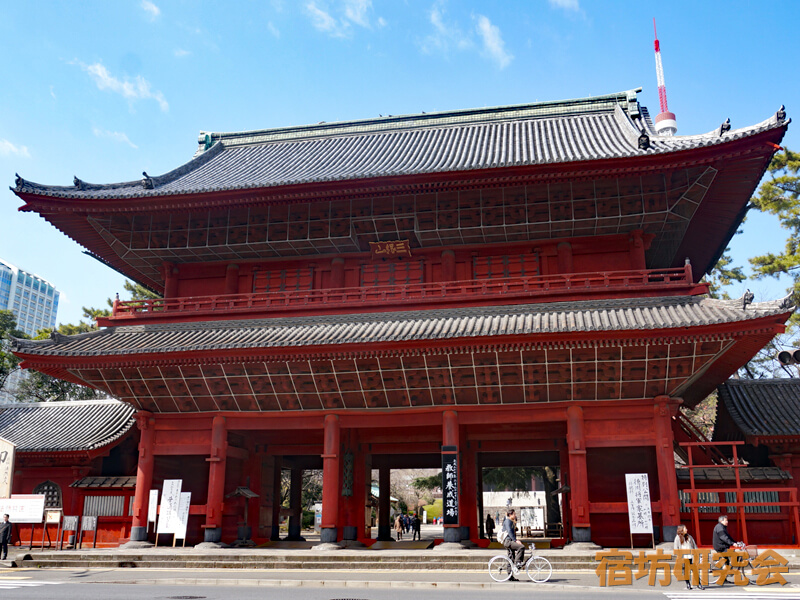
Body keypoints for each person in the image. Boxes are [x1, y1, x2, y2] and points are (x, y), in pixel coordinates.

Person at [674, 524, 703, 590]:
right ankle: (688, 584)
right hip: (684, 557)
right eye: (685, 528)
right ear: (681, 530)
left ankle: (699, 584)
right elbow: (676, 549)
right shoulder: (677, 538)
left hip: (691, 556)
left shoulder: (689, 537)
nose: (686, 530)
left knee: (695, 571)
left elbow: (694, 546)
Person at [501, 508, 525, 580]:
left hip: (509, 541)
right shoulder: (508, 521)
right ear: (510, 514)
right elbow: (509, 532)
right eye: (514, 514)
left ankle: (510, 576)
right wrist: (515, 540)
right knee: (521, 547)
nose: (515, 515)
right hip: (508, 541)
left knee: (511, 558)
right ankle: (518, 563)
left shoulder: (510, 521)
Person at [712, 515, 737, 583]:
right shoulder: (720, 527)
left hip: (723, 547)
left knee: (727, 561)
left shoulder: (722, 527)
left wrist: (735, 542)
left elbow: (728, 537)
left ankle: (724, 578)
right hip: (721, 547)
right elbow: (724, 537)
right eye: (725, 520)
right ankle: (727, 569)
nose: (727, 522)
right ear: (721, 521)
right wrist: (732, 544)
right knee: (735, 555)